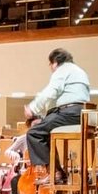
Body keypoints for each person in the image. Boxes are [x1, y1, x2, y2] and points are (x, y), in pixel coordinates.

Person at [24, 48, 90, 186]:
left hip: (70, 113)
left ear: (54, 62)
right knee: (43, 130)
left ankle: (54, 172)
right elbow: (64, 100)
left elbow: (51, 92)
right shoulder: (80, 71)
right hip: (81, 113)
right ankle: (57, 171)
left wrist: (32, 108)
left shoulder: (62, 70)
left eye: (50, 64)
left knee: (34, 133)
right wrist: (44, 119)